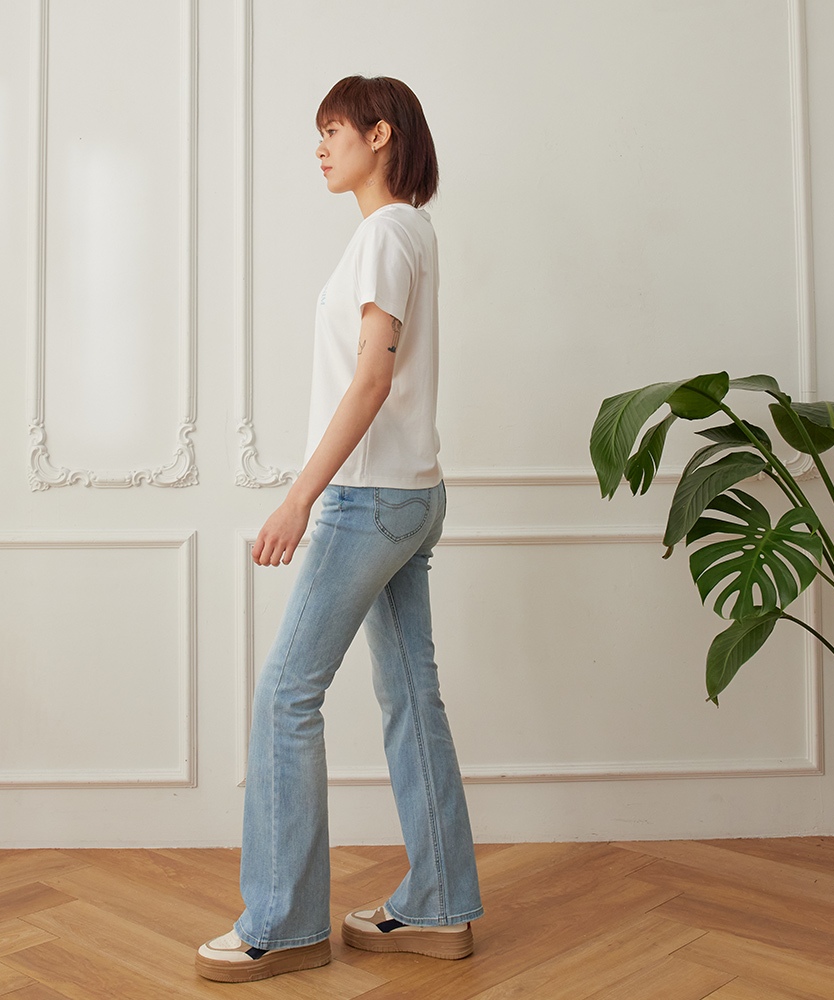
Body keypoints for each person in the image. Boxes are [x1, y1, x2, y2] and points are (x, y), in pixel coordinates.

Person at [197, 74, 483, 984]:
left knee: (286, 694)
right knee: (411, 697)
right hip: (413, 493)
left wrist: (299, 498)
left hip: (369, 501)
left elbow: (372, 380)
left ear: (380, 134)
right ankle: (439, 904)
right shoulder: (411, 232)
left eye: (333, 130)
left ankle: (283, 925)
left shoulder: (385, 234)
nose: (320, 148)